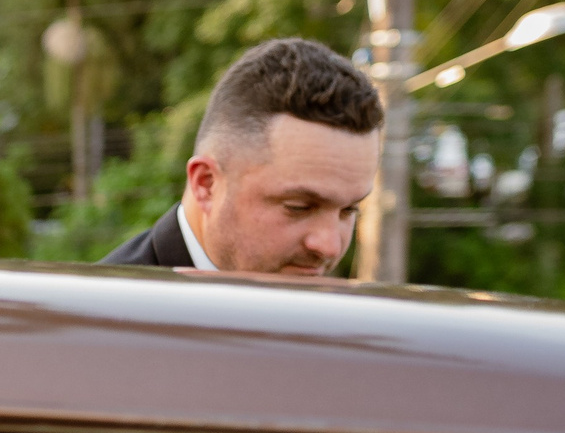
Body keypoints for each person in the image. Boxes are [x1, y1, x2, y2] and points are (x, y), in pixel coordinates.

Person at [103, 38, 383, 276]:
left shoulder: (329, 317)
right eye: (298, 206)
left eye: (349, 210)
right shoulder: (101, 326)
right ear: (207, 183)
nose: (330, 245)